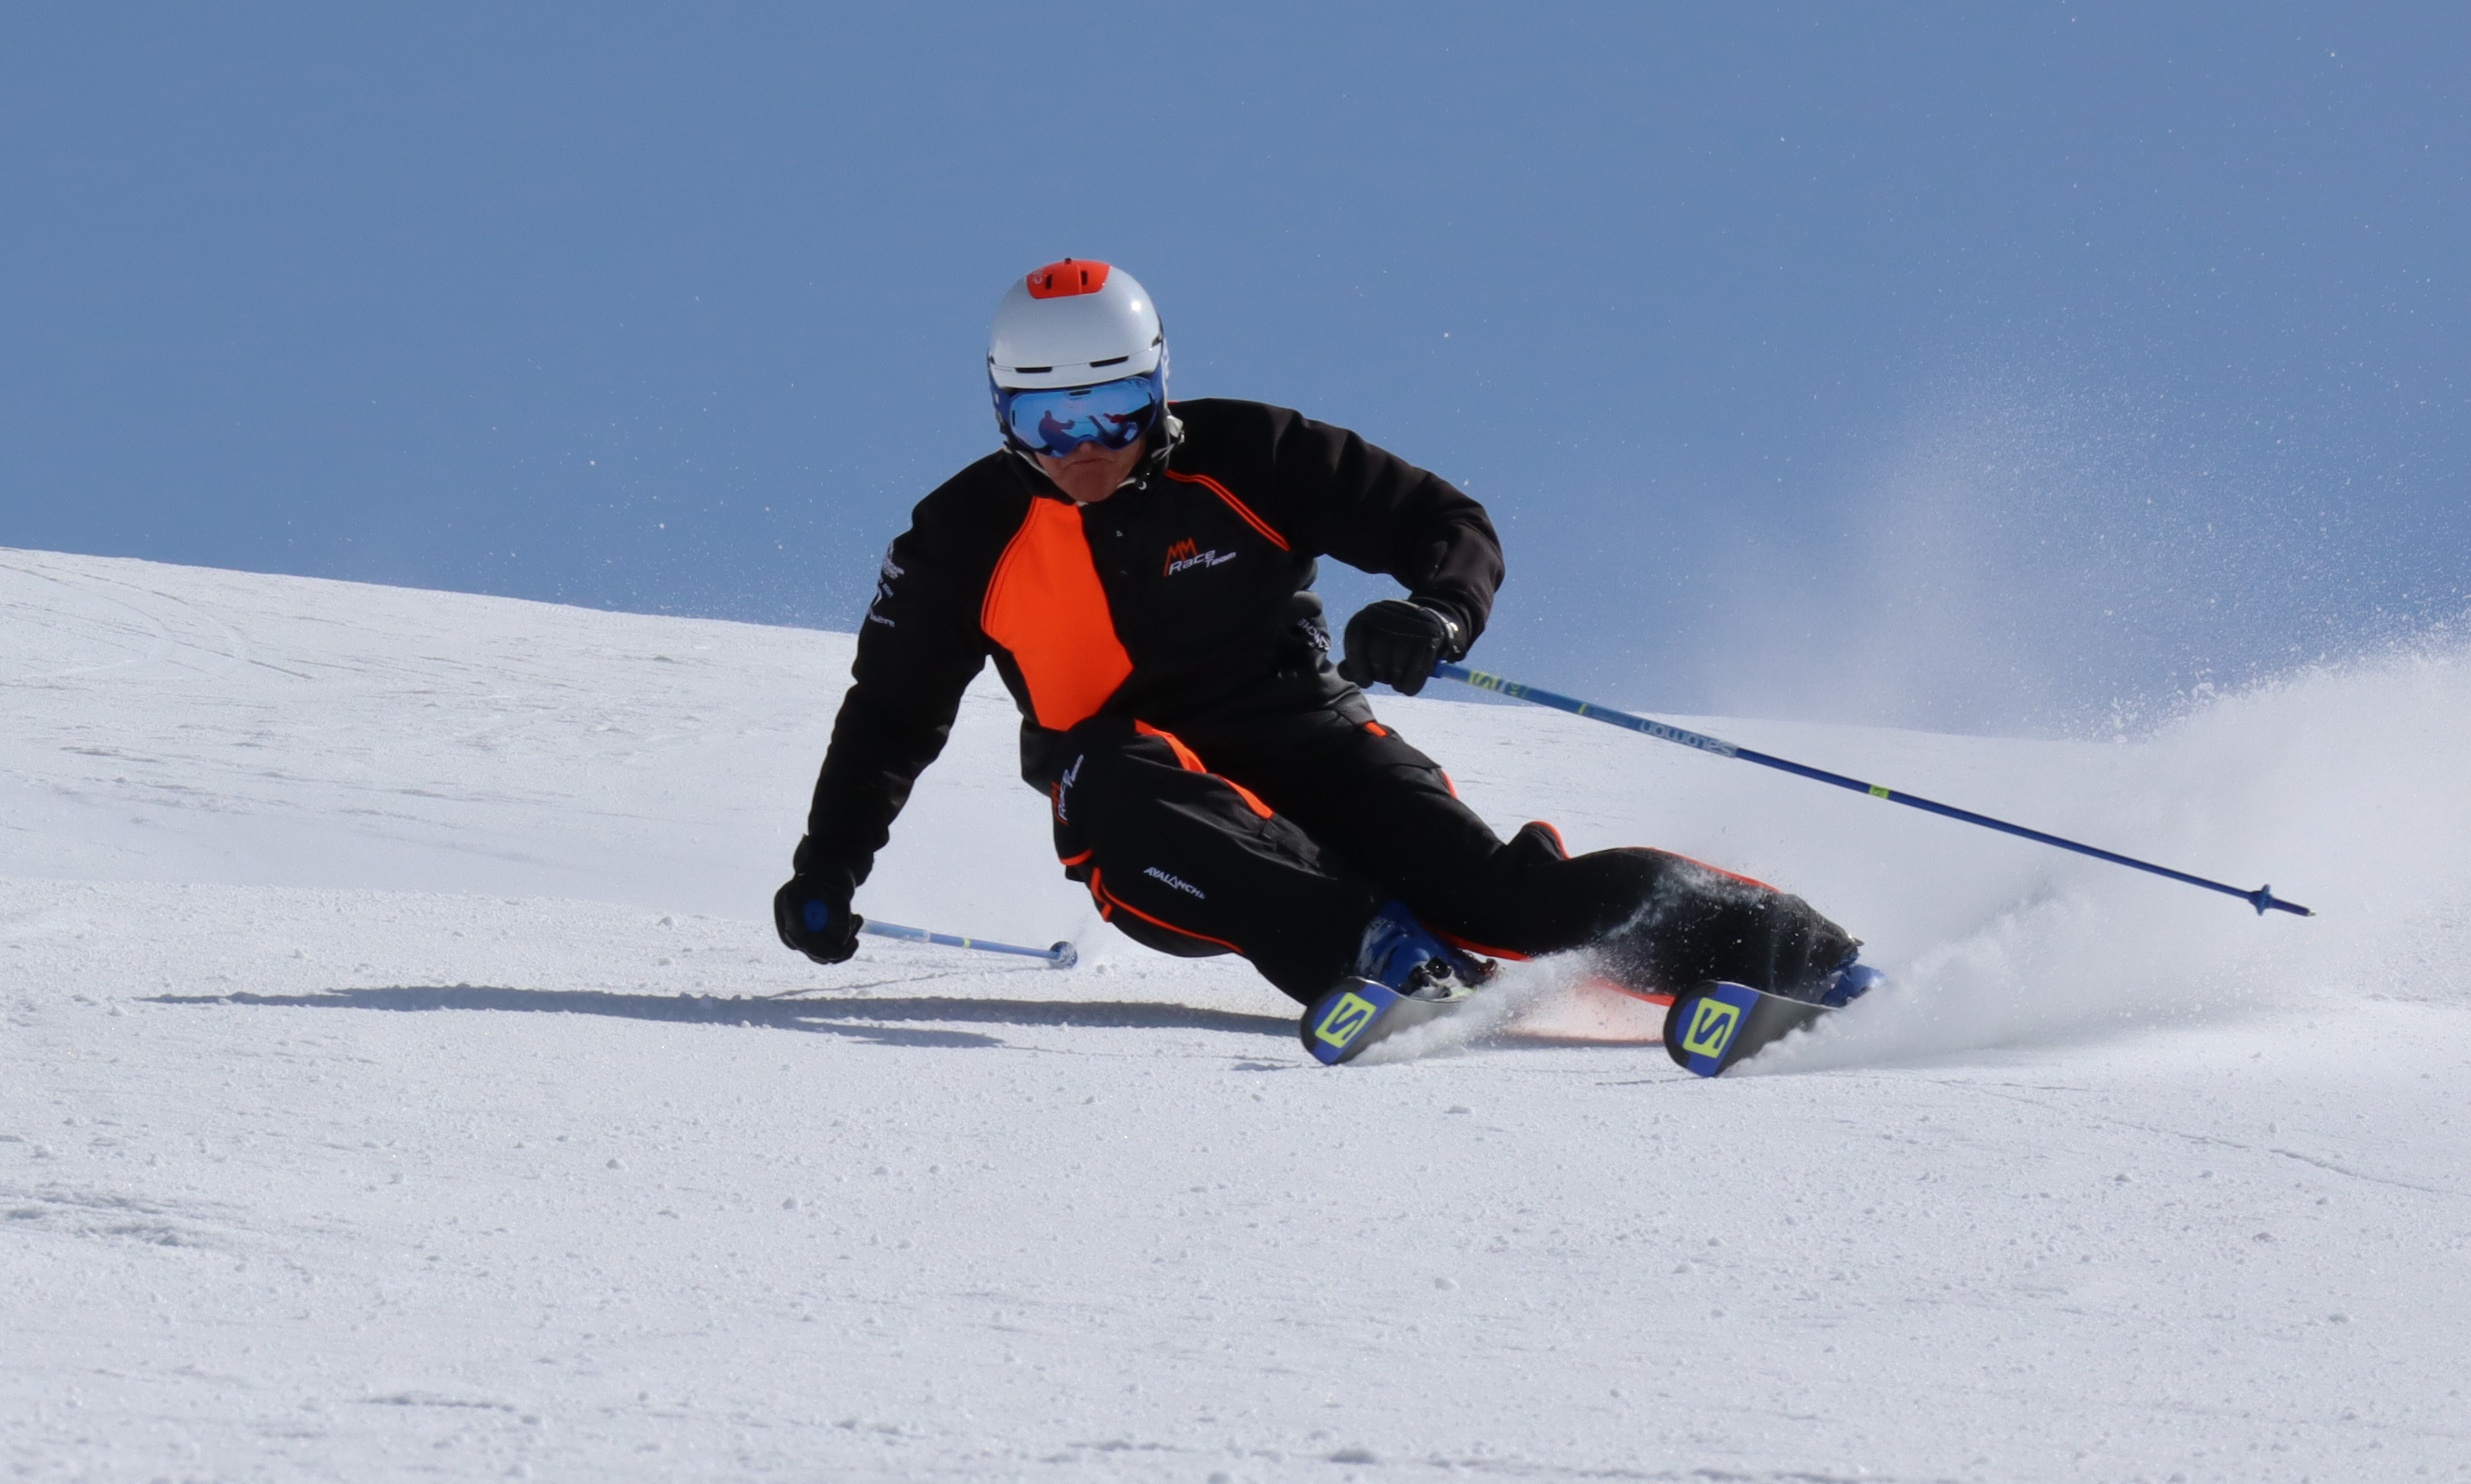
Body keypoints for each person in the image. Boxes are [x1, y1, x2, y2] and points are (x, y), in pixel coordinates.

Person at [774, 259, 1864, 1012]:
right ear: (1002, 411)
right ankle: (1384, 959)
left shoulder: (1249, 455)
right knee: (1108, 770)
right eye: (1045, 421)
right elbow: (892, 713)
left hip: (1316, 748)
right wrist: (830, 865)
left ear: (1157, 384)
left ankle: (1813, 965)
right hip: (1147, 815)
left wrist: (1434, 611)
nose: (1082, 450)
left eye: (1112, 410)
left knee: (1508, 903)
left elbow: (1442, 519)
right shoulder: (963, 536)